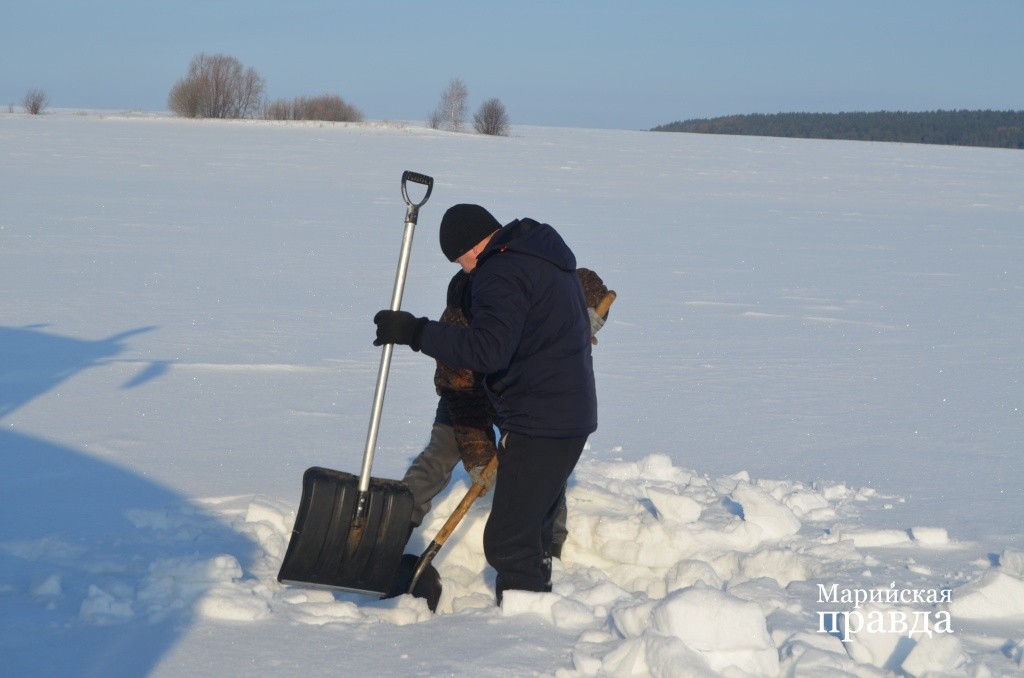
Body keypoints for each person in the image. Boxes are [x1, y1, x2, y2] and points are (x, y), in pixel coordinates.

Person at [374, 203, 598, 602]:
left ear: (471, 247)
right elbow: (462, 406)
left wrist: (417, 332)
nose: (462, 268)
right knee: (525, 525)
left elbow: (489, 349)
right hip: (561, 412)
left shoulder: (499, 272)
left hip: (540, 416)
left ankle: (524, 620)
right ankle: (537, 587)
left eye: (458, 259)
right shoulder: (537, 252)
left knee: (509, 538)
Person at [403, 264, 612, 560]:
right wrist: (479, 456)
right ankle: (393, 527)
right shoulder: (456, 330)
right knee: (439, 455)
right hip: (468, 397)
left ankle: (548, 545)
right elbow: (464, 402)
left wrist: (582, 315)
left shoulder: (523, 290)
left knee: (545, 460)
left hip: (521, 392)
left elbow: (582, 280)